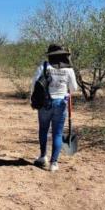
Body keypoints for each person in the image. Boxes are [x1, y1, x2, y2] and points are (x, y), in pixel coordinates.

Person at [31, 44, 77, 172]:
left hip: (45, 103)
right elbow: (74, 88)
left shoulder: (44, 66)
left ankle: (42, 156)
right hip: (61, 103)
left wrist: (32, 99)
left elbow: (34, 84)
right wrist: (66, 91)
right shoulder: (69, 69)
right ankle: (54, 163)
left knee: (43, 130)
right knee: (57, 133)